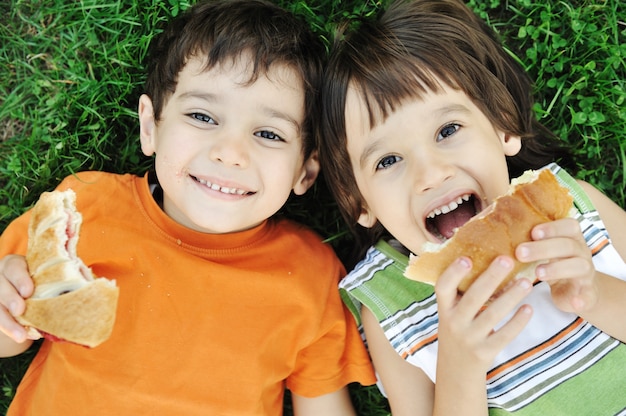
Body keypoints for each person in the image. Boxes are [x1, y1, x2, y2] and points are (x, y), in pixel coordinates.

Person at [0, 1, 376, 414]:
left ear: (305, 171)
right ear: (150, 127)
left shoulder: (311, 276)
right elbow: (10, 336)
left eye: (269, 133)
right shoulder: (84, 208)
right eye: (202, 116)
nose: (231, 153)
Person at [317, 0, 626, 414]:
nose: (430, 174)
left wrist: (594, 293)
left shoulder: (575, 208)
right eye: (388, 160)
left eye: (447, 130)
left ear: (502, 127)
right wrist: (460, 367)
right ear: (359, 202)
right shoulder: (392, 307)